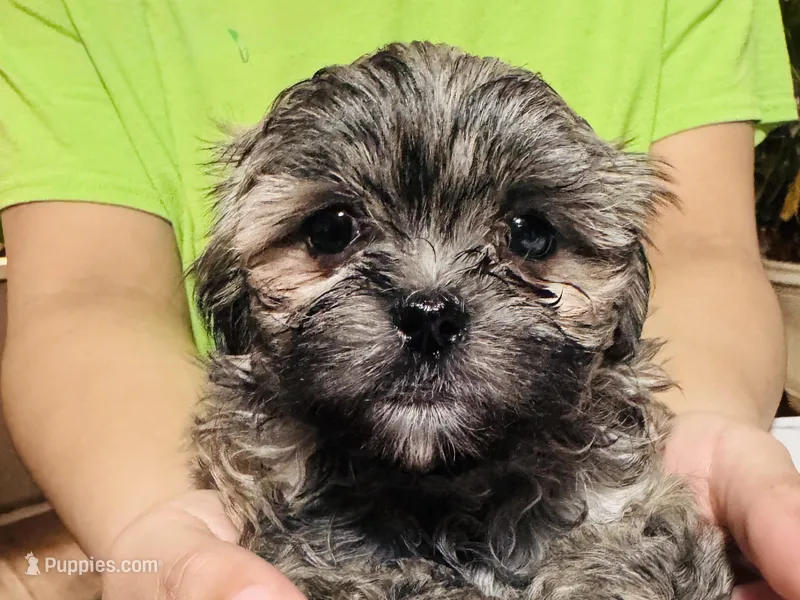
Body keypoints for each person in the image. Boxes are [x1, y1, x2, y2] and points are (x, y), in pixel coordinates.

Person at [0, 1, 798, 599]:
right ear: (231, 287)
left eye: (527, 237)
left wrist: (698, 431)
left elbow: (707, 248)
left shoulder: (622, 490)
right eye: (333, 232)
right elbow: (85, 291)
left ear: (626, 292)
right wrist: (159, 521)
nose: (431, 298)